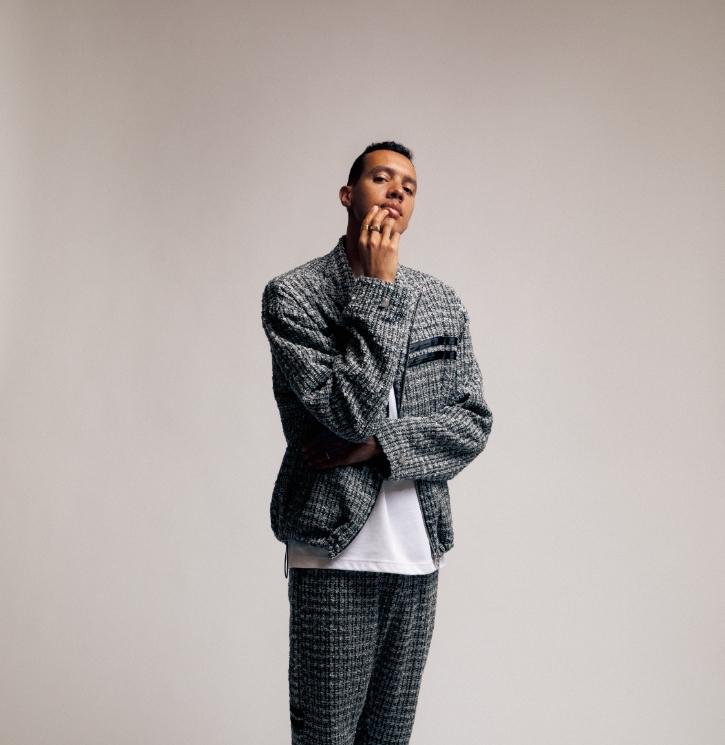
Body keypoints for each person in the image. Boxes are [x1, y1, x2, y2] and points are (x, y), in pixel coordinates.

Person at [261, 141, 492, 745]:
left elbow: (472, 423)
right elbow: (345, 414)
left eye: (408, 187)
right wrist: (377, 291)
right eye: (381, 178)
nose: (396, 191)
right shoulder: (294, 296)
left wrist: (380, 446)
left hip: (418, 555)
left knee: (390, 738)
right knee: (326, 737)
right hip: (332, 552)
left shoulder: (441, 302)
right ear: (348, 194)